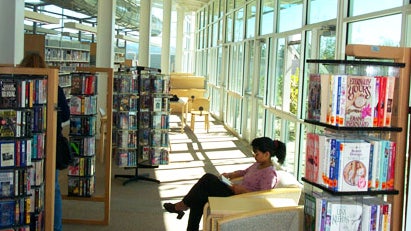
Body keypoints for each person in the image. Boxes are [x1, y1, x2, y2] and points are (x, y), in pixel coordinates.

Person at [163, 137, 286, 231]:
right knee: (200, 196)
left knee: (208, 178)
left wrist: (241, 190)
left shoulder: (269, 174)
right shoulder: (258, 164)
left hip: (241, 200)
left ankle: (181, 206)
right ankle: (185, 214)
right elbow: (244, 172)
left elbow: (262, 197)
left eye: (256, 153)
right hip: (234, 191)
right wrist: (230, 175)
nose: (254, 156)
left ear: (267, 154)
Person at [20, 53, 70, 231]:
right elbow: (66, 115)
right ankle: (55, 227)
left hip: (23, 144)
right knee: (52, 187)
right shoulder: (53, 86)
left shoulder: (19, 85)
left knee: (22, 185)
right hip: (49, 144)